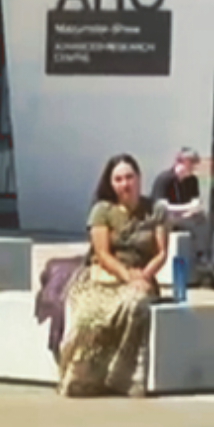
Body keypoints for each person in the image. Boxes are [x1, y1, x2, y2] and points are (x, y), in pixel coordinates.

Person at [58, 154, 168, 398]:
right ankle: (84, 378)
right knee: (88, 315)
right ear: (111, 183)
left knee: (134, 305)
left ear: (139, 178)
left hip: (143, 276)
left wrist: (144, 276)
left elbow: (161, 253)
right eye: (118, 179)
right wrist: (127, 275)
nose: (124, 184)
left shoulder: (156, 210)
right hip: (106, 276)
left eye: (129, 177)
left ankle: (123, 379)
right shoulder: (102, 211)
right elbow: (103, 253)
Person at [151, 148, 212, 284]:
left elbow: (195, 202)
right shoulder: (165, 179)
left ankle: (203, 257)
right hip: (165, 219)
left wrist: (191, 209)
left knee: (203, 220)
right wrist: (187, 208)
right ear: (180, 161)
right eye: (191, 163)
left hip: (184, 216)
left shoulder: (192, 181)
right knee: (165, 215)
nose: (193, 168)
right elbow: (161, 206)